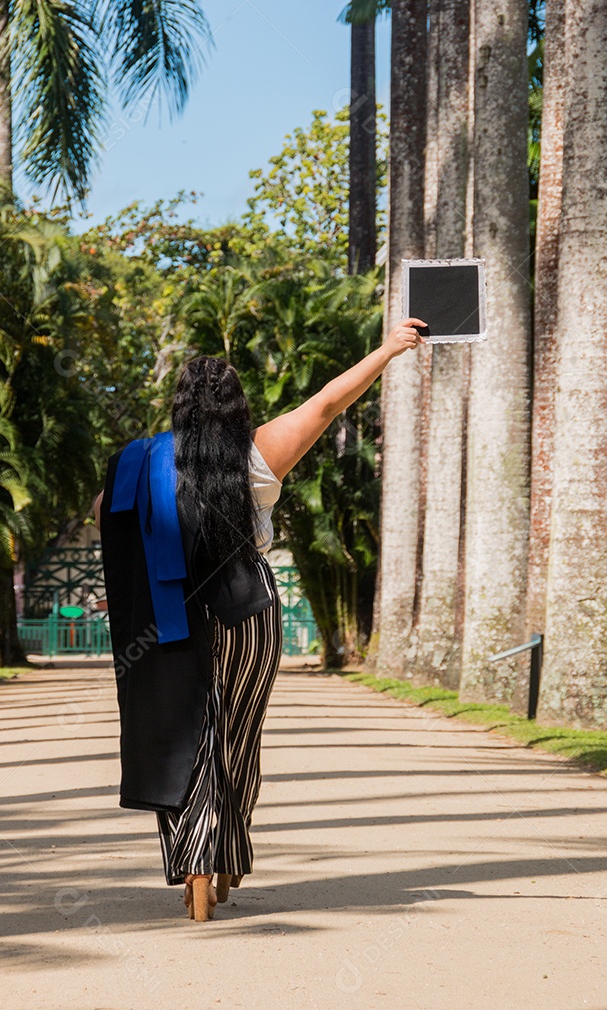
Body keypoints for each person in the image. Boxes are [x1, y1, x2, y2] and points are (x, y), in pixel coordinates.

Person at [95, 317, 426, 922]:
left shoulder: (139, 463)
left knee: (187, 730)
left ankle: (194, 857)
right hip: (248, 609)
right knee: (239, 735)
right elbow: (327, 404)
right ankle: (228, 850)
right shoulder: (257, 450)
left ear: (179, 406)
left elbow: (106, 517)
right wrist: (387, 349)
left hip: (170, 619)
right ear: (236, 404)